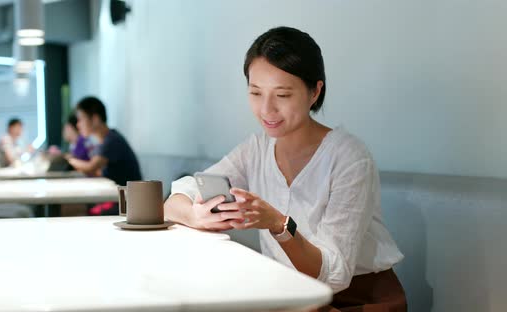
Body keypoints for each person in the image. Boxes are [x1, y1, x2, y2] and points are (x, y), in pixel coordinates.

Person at [164, 27, 406, 311]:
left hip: (356, 299)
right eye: (256, 93)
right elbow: (179, 195)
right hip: (290, 293)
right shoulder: (256, 149)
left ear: (315, 91)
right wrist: (194, 214)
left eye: (282, 94)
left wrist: (278, 224)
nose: (266, 109)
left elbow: (334, 273)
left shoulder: (349, 157)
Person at [68, 96, 141, 186]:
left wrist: (69, 160)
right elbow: (100, 173)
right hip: (120, 194)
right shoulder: (107, 139)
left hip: (126, 198)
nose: (78, 124)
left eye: (81, 119)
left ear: (95, 119)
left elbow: (91, 167)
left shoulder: (112, 140)